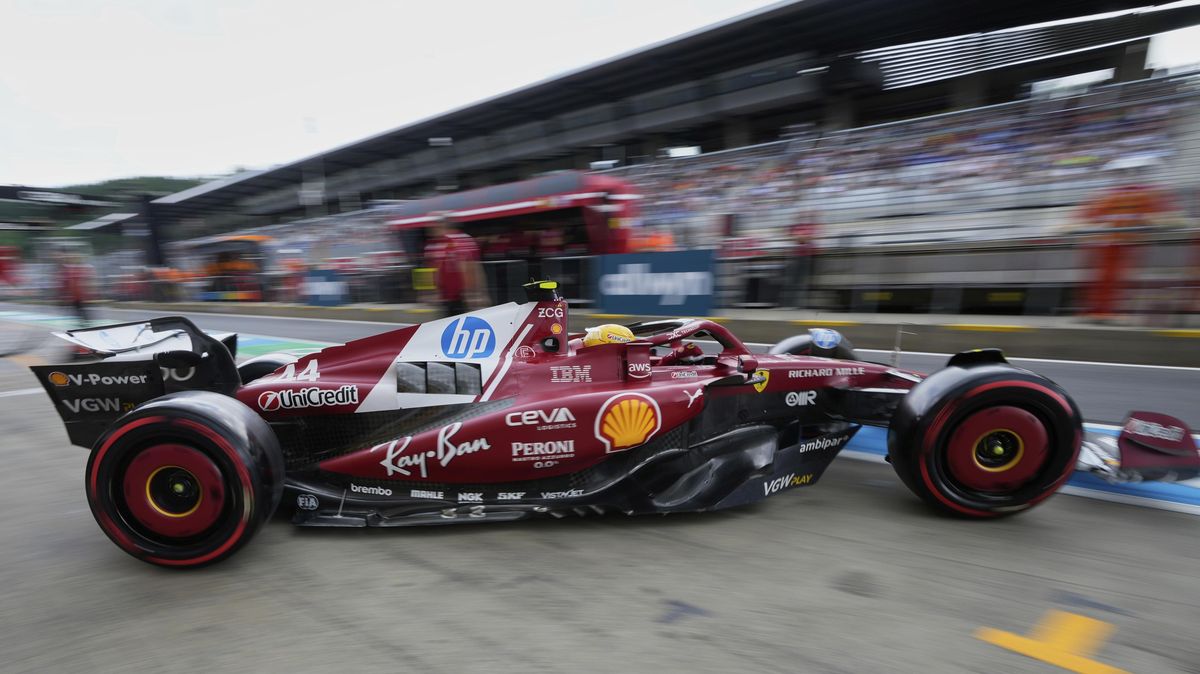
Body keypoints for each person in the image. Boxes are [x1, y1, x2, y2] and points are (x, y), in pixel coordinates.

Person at [424, 213, 487, 316]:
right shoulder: (434, 245)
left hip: (463, 296)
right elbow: (433, 271)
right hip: (446, 297)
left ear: (443, 226)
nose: (431, 229)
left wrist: (478, 293)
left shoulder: (462, 240)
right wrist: (432, 292)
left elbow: (473, 268)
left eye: (434, 226)